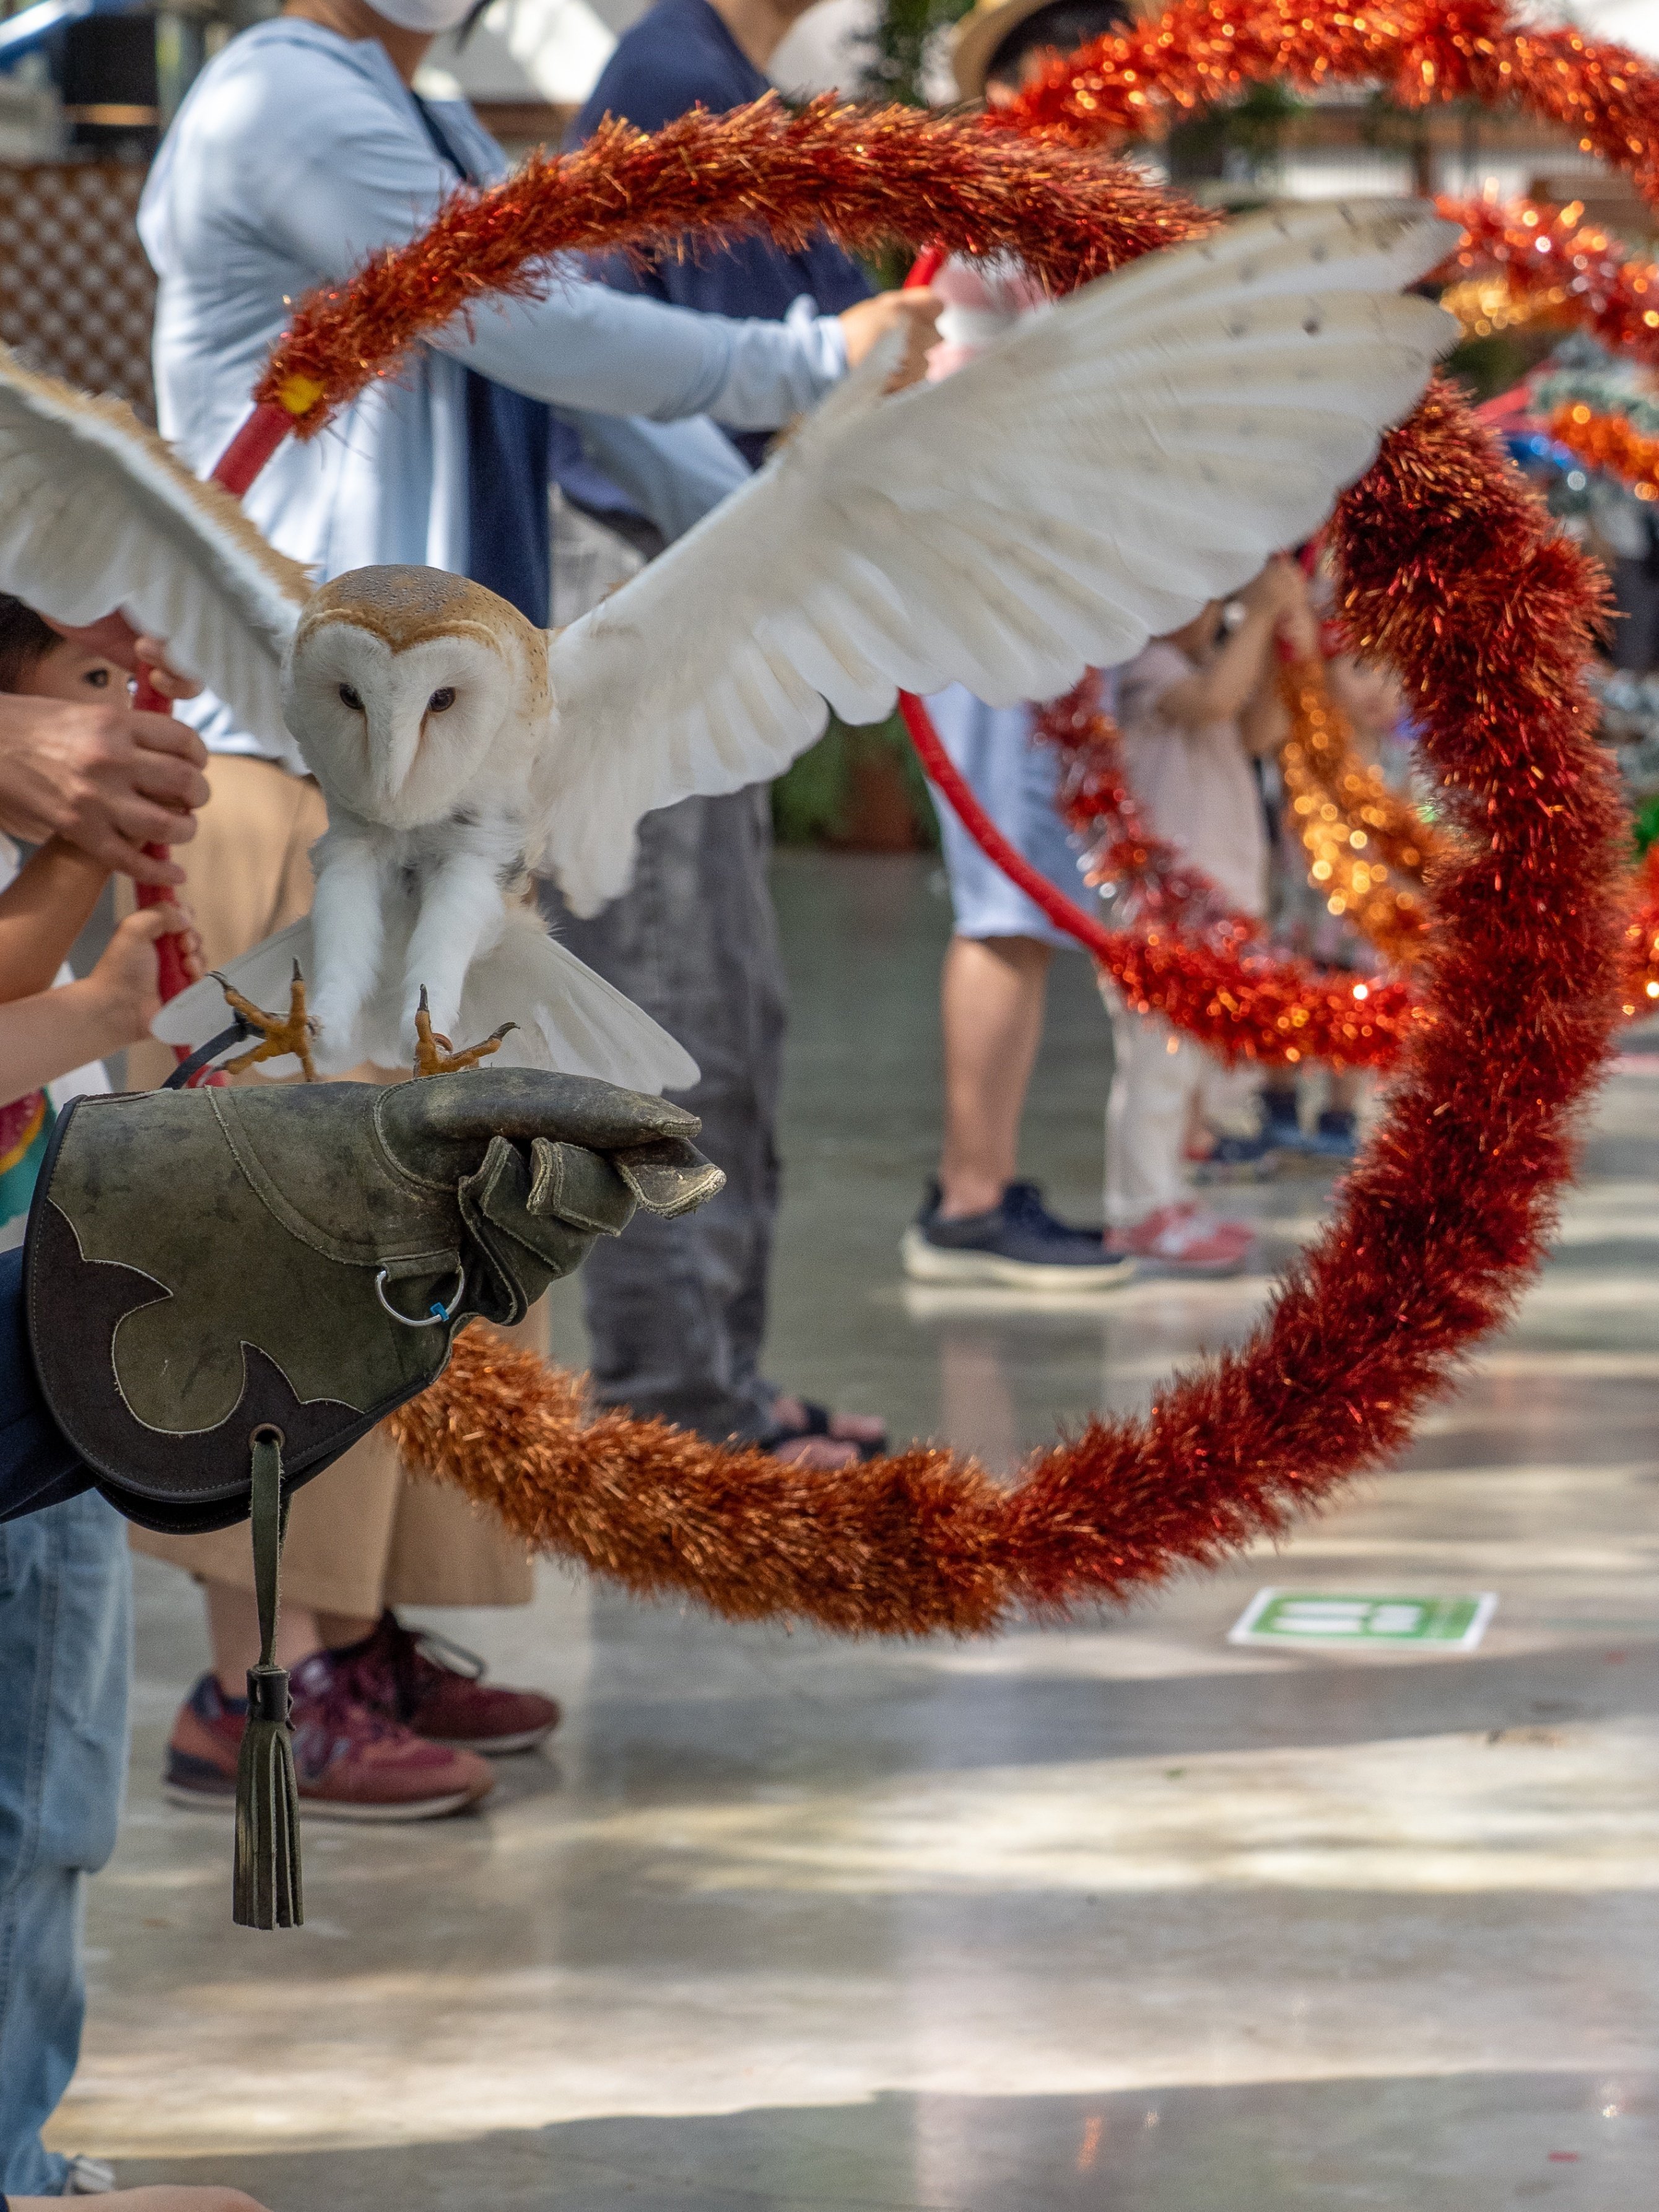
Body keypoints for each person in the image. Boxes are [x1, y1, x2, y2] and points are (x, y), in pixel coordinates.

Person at [130, 0, 939, 1806]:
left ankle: (367, 1634)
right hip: (299, 769)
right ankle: (257, 1687)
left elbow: (597, 419)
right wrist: (804, 363)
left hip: (441, 790)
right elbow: (527, 320)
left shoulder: (426, 121)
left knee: (446, 1247)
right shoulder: (280, 101)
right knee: (298, 1255)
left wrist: (840, 518)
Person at [549, 0, 917, 1452]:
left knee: (733, 1013)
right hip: (642, 584)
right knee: (667, 1010)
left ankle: (722, 1387)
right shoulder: (669, 83)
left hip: (708, 588)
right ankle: (672, 1411)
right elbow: (694, 375)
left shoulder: (744, 98)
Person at [0, 607, 211, 2204]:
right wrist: (99, 996)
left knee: (57, 1796)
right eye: (97, 680)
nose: (133, 702)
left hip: (45, 1344)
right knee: (28, 1801)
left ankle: (20, 2143)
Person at [902, 0, 1139, 1291]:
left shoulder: (1027, 208)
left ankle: (979, 1182)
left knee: (1023, 893)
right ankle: (968, 1197)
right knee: (1006, 895)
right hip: (983, 587)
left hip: (1018, 589)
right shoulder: (1004, 208)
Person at [1104, 562, 1305, 1273]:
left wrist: (1279, 635)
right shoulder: (1144, 666)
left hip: (1213, 903)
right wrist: (1260, 615)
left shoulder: (1205, 663)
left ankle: (1169, 1193)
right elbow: (1216, 703)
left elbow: (1260, 728)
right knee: (1157, 1064)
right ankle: (1138, 1208)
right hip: (1162, 908)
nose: (1212, 611)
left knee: (1186, 1068)